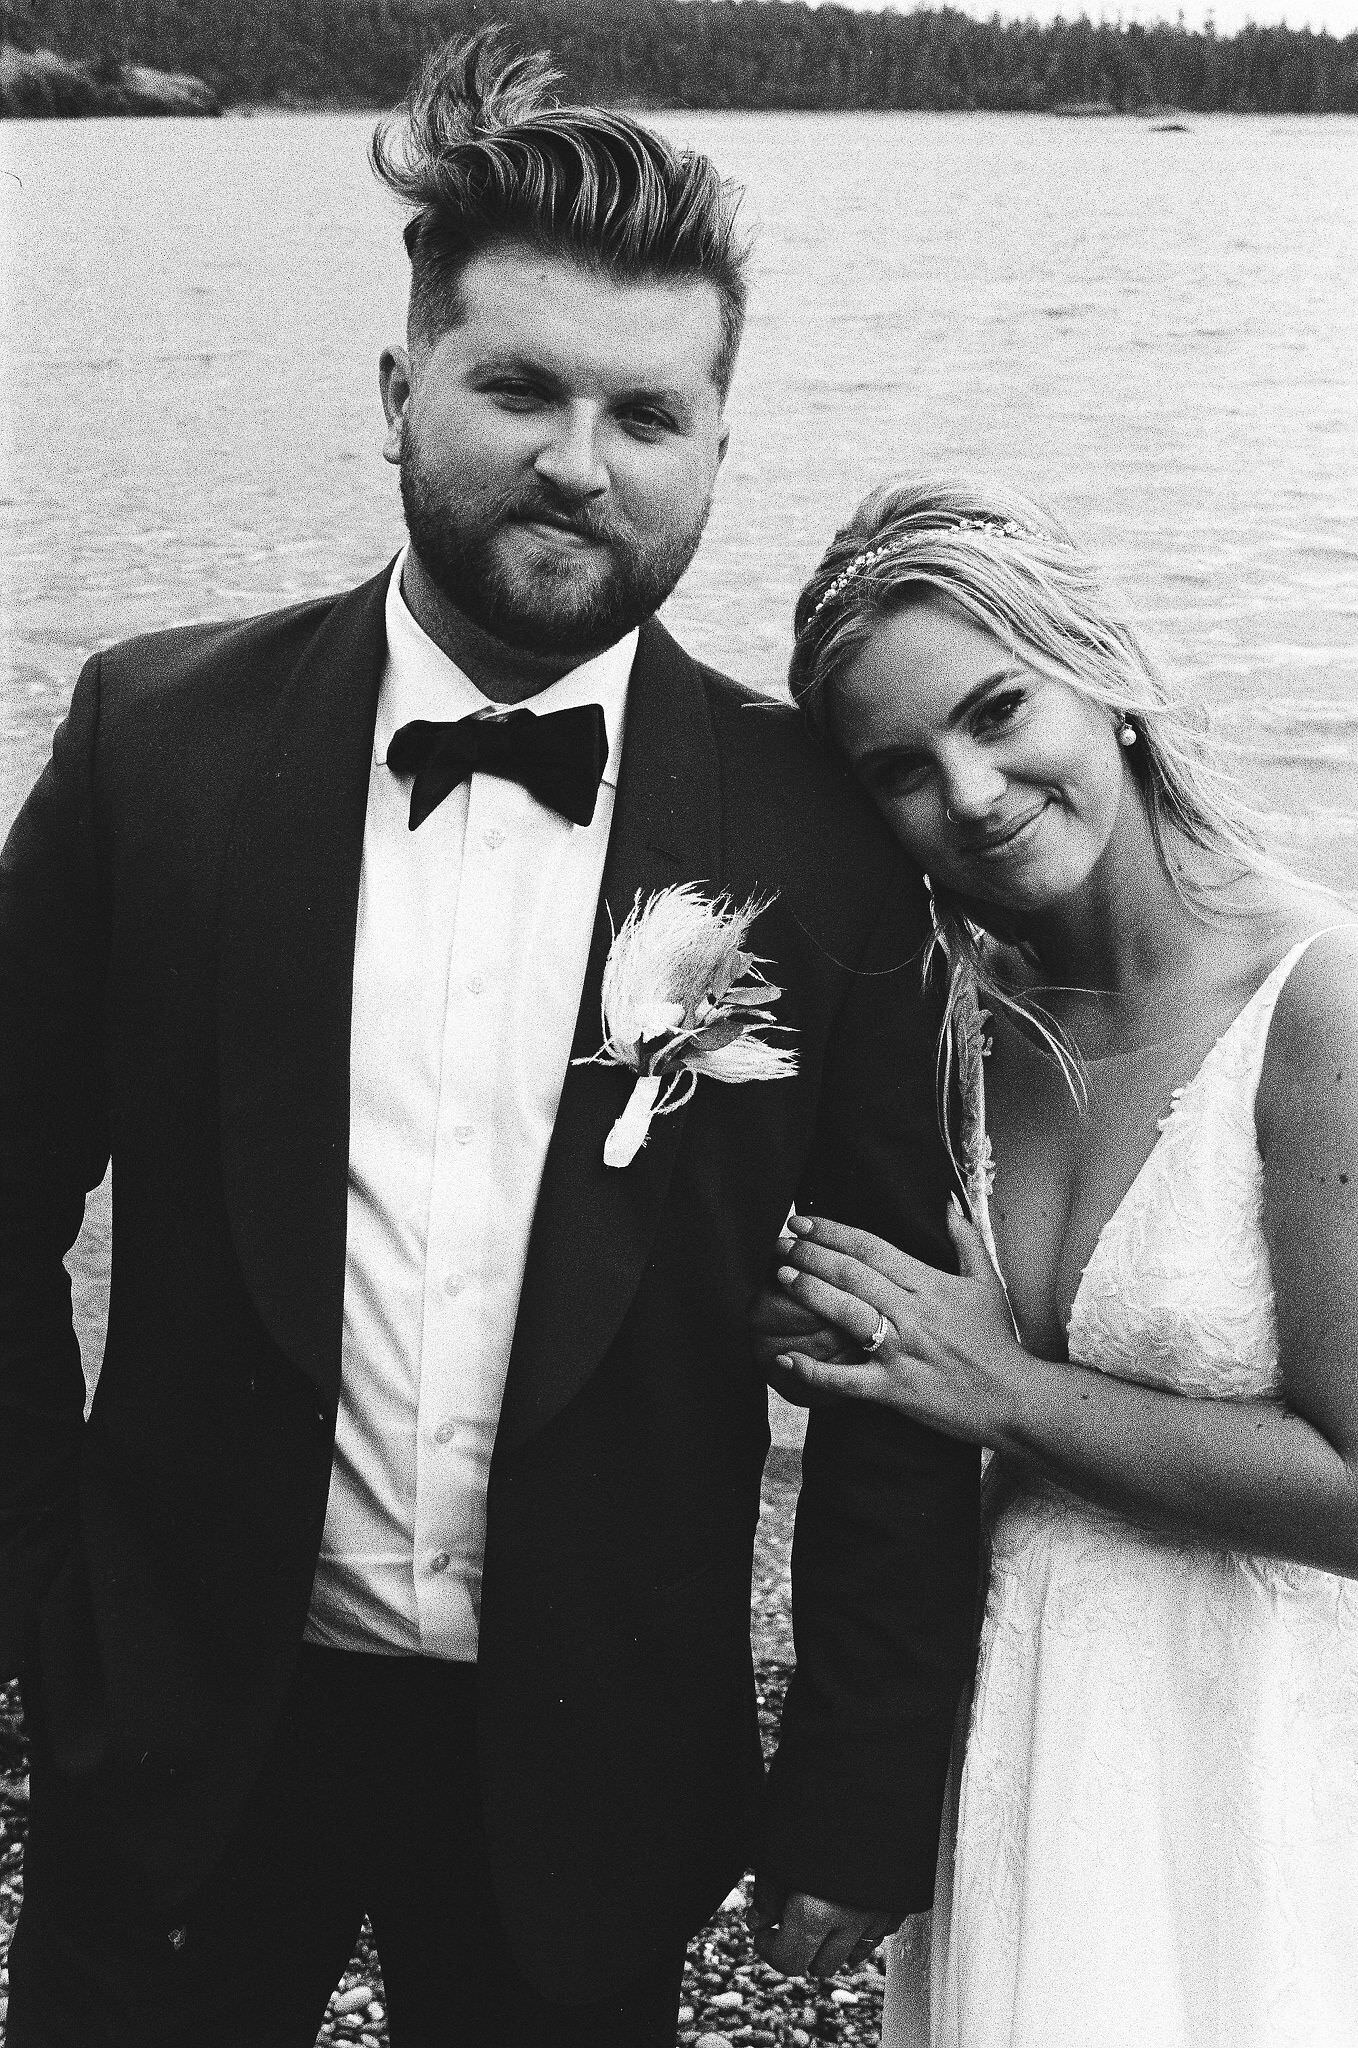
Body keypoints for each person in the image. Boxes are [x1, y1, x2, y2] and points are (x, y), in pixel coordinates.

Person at [0, 37, 979, 2048]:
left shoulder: (820, 840)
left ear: (718, 443)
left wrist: (858, 1781)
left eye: (647, 412)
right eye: (519, 387)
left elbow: (889, 1354)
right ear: (398, 392)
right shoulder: (152, 747)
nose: (578, 463)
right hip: (175, 1726)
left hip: (596, 1764)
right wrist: (39, 1616)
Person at [754, 477, 1358, 2046]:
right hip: (1024, 1738)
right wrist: (826, 1324)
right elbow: (912, 1364)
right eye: (899, 770)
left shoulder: (1320, 1004)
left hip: (1253, 1765)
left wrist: (1000, 1391)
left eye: (997, 709)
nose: (968, 791)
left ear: (1103, 675)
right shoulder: (949, 1028)